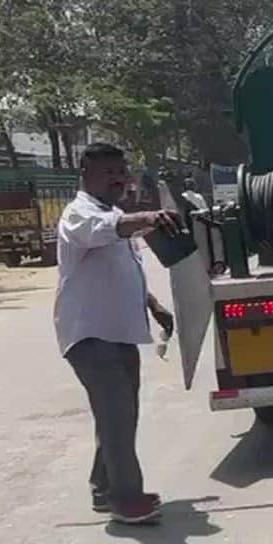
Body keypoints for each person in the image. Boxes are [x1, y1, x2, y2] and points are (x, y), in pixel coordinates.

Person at [54, 143, 180, 524]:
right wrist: (149, 217)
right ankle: (126, 500)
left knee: (118, 416)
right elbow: (102, 232)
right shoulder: (79, 214)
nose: (118, 179)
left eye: (121, 171)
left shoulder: (110, 213)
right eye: (108, 172)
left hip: (119, 332)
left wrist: (153, 305)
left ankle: (104, 487)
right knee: (118, 417)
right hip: (91, 336)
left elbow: (121, 268)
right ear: (86, 175)